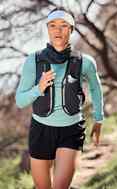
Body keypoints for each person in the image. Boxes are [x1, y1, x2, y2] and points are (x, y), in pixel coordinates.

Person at [15, 7, 104, 189]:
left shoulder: (84, 62)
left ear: (71, 29)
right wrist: (39, 88)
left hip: (71, 130)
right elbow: (20, 100)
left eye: (64, 25)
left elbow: (95, 88)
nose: (58, 30)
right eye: (53, 25)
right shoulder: (33, 61)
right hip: (40, 129)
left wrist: (99, 119)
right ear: (47, 29)